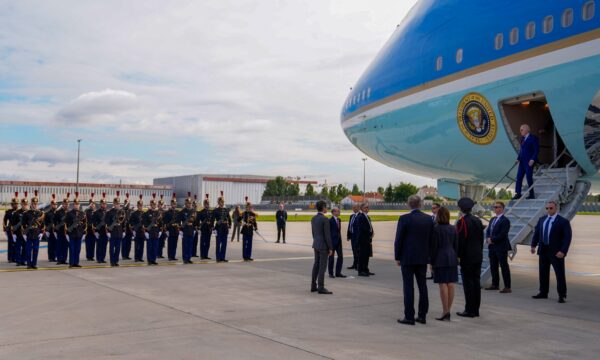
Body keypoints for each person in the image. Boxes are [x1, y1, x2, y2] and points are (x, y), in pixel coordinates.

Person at [395, 195, 434, 325]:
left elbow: (399, 239)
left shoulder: (404, 218)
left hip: (408, 257)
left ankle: (409, 316)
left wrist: (397, 256)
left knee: (408, 287)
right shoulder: (429, 219)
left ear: (408, 204)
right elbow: (431, 240)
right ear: (421, 204)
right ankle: (422, 315)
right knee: (422, 286)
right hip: (422, 257)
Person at [531, 200, 572, 303]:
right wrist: (533, 245)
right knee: (543, 273)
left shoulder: (563, 221)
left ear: (556, 208)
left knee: (559, 274)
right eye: (547, 208)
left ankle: (562, 295)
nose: (548, 210)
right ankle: (543, 292)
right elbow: (537, 233)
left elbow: (567, 238)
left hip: (556, 252)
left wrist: (563, 251)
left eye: (551, 208)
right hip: (543, 250)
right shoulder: (542, 219)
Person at [455, 197, 484, 318]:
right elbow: (481, 239)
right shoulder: (477, 220)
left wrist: (458, 255)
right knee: (476, 283)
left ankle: (469, 309)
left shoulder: (462, 222)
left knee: (468, 284)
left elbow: (460, 241)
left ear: (461, 209)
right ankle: (476, 309)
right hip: (477, 255)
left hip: (467, 257)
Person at [430, 206, 458, 321]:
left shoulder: (436, 229)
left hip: (440, 258)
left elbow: (433, 247)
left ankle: (445, 311)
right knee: (451, 284)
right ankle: (448, 311)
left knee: (442, 284)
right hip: (452, 257)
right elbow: (456, 246)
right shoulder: (453, 228)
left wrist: (431, 262)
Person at [485, 201, 512, 293]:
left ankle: (507, 287)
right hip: (492, 247)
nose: (495, 209)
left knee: (504, 266)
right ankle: (495, 284)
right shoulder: (493, 219)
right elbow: (488, 230)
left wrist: (492, 240)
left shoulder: (505, 220)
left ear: (502, 208)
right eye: (494, 207)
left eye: (497, 207)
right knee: (493, 266)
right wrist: (488, 238)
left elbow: (503, 234)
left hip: (501, 247)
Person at [310, 200, 333, 294]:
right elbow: (327, 235)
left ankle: (313, 285)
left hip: (316, 244)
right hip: (323, 246)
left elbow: (313, 233)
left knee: (316, 265)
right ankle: (321, 287)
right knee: (322, 267)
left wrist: (316, 241)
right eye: (326, 206)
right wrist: (330, 248)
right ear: (323, 208)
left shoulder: (313, 218)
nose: (326, 208)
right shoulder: (325, 219)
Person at [514, 124, 539, 200]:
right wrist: (518, 158)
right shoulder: (522, 138)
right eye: (520, 130)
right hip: (522, 161)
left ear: (527, 130)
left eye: (521, 130)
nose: (520, 131)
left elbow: (536, 150)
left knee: (529, 177)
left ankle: (531, 194)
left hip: (529, 162)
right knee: (519, 177)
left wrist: (533, 159)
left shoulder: (533, 138)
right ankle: (518, 193)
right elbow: (521, 150)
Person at [22, 191, 44, 270]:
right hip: (29, 233)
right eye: (34, 203)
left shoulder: (40, 213)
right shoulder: (26, 213)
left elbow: (42, 224)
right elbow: (23, 224)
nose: (35, 205)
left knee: (35, 250)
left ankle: (34, 264)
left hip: (36, 233)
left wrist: (41, 233)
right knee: (28, 250)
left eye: (36, 203)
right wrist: (24, 234)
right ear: (31, 204)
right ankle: (28, 264)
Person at [65, 193, 86, 268]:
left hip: (79, 233)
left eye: (78, 204)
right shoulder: (69, 213)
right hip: (72, 233)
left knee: (78, 250)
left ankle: (76, 263)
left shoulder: (82, 213)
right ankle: (71, 263)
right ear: (73, 205)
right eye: (75, 204)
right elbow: (66, 223)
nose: (76, 205)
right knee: (72, 249)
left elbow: (84, 224)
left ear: (79, 205)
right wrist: (67, 233)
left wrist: (84, 233)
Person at [106, 193, 125, 267]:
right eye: (116, 203)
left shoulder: (122, 212)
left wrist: (123, 231)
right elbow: (107, 222)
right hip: (112, 232)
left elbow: (124, 222)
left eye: (118, 203)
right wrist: (108, 231)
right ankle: (112, 261)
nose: (117, 205)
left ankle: (116, 261)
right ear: (113, 203)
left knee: (117, 248)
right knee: (111, 248)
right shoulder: (109, 212)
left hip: (119, 232)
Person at [143, 193, 162, 265]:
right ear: (150, 205)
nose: (154, 206)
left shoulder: (158, 213)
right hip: (150, 232)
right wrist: (146, 232)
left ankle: (153, 259)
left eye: (155, 204)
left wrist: (160, 231)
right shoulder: (147, 213)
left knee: (155, 247)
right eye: (152, 204)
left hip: (156, 232)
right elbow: (144, 223)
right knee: (149, 247)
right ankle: (149, 260)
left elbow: (160, 223)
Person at [356, 203, 374, 277]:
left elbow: (369, 226)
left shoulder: (367, 217)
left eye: (368, 207)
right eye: (366, 207)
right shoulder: (360, 217)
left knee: (366, 255)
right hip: (362, 239)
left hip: (367, 239)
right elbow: (363, 228)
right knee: (362, 255)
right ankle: (360, 271)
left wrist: (372, 232)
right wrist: (370, 233)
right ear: (362, 209)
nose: (367, 208)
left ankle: (366, 269)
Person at [212, 192, 231, 262]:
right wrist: (213, 227)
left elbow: (229, 219)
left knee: (224, 244)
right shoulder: (215, 210)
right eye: (220, 202)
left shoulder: (226, 210)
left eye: (222, 202)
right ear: (218, 202)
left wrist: (229, 225)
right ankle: (218, 257)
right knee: (218, 244)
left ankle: (222, 257)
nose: (221, 203)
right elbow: (212, 220)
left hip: (225, 228)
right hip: (219, 228)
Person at [328, 207, 345, 278]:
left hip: (338, 242)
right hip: (332, 242)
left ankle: (338, 272)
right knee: (331, 258)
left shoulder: (339, 220)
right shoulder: (330, 221)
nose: (339, 212)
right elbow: (328, 232)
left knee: (340, 257)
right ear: (333, 212)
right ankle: (331, 273)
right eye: (338, 211)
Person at [179, 193, 196, 264]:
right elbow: (178, 220)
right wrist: (180, 230)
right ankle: (185, 258)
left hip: (191, 229)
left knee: (190, 245)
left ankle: (189, 258)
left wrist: (195, 229)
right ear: (185, 204)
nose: (189, 204)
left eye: (190, 203)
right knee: (185, 245)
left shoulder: (193, 211)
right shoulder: (183, 211)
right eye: (187, 203)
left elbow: (195, 221)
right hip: (185, 229)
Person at [164, 193, 180, 261]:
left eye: (175, 204)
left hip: (175, 230)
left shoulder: (177, 212)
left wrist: (179, 228)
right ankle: (170, 256)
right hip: (170, 229)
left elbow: (179, 221)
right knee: (170, 244)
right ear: (171, 204)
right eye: (173, 204)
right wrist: (167, 230)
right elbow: (165, 222)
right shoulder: (168, 212)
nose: (174, 205)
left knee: (175, 244)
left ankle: (173, 256)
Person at [93, 193, 109, 264]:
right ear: (100, 204)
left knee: (104, 246)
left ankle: (102, 258)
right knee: (99, 246)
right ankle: (99, 258)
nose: (104, 205)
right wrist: (95, 232)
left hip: (105, 232)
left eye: (105, 204)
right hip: (99, 231)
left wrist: (109, 232)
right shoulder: (96, 212)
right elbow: (94, 223)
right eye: (103, 204)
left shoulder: (107, 212)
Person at [3, 193, 19, 263]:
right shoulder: (8, 212)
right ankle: (10, 258)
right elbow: (4, 220)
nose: (15, 205)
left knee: (17, 244)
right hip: (10, 230)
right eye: (14, 204)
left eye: (16, 204)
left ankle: (16, 257)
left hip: (17, 230)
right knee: (10, 244)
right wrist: (5, 227)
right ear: (12, 205)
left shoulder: (19, 212)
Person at [129, 195, 146, 262]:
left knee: (142, 245)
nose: (140, 206)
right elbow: (130, 222)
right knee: (137, 245)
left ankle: (140, 257)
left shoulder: (144, 213)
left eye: (141, 205)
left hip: (142, 231)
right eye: (139, 205)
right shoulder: (134, 213)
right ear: (137, 205)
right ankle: (136, 257)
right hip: (137, 231)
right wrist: (133, 230)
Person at [54, 194, 69, 265]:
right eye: (65, 204)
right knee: (59, 246)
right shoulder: (58, 212)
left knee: (65, 246)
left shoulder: (69, 212)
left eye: (67, 204)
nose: (66, 205)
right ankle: (59, 259)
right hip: (60, 231)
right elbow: (54, 222)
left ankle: (64, 259)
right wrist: (55, 231)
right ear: (62, 204)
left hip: (67, 232)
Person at [198, 194, 214, 260]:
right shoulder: (201, 212)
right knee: (203, 243)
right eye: (206, 204)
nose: (207, 205)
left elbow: (213, 220)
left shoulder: (211, 212)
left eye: (208, 204)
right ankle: (202, 255)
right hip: (203, 229)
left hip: (209, 229)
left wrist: (212, 226)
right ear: (204, 204)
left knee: (208, 243)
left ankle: (206, 255)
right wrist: (198, 228)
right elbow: (198, 220)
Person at [346, 204, 360, 270]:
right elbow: (350, 226)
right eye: (353, 207)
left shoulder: (360, 216)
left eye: (354, 207)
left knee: (358, 251)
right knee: (354, 251)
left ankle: (358, 265)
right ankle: (354, 264)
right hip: (352, 236)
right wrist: (348, 235)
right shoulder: (351, 216)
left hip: (358, 236)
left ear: (358, 208)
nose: (353, 209)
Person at [84, 194, 96, 261]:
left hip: (94, 229)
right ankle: (88, 256)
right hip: (88, 229)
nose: (92, 205)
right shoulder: (86, 211)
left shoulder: (95, 211)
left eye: (93, 203)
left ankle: (92, 256)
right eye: (91, 203)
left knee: (93, 243)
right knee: (88, 243)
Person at [121, 193, 133, 260]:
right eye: (126, 203)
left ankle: (127, 255)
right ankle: (124, 255)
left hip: (129, 229)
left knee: (129, 243)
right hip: (124, 229)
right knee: (124, 243)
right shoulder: (122, 210)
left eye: (128, 203)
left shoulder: (130, 211)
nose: (128, 204)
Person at [158, 195, 167, 259]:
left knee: (162, 242)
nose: (161, 206)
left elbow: (165, 220)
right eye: (160, 204)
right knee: (157, 242)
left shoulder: (164, 212)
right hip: (157, 229)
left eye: (162, 204)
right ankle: (157, 254)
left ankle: (160, 254)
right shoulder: (156, 212)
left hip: (163, 229)